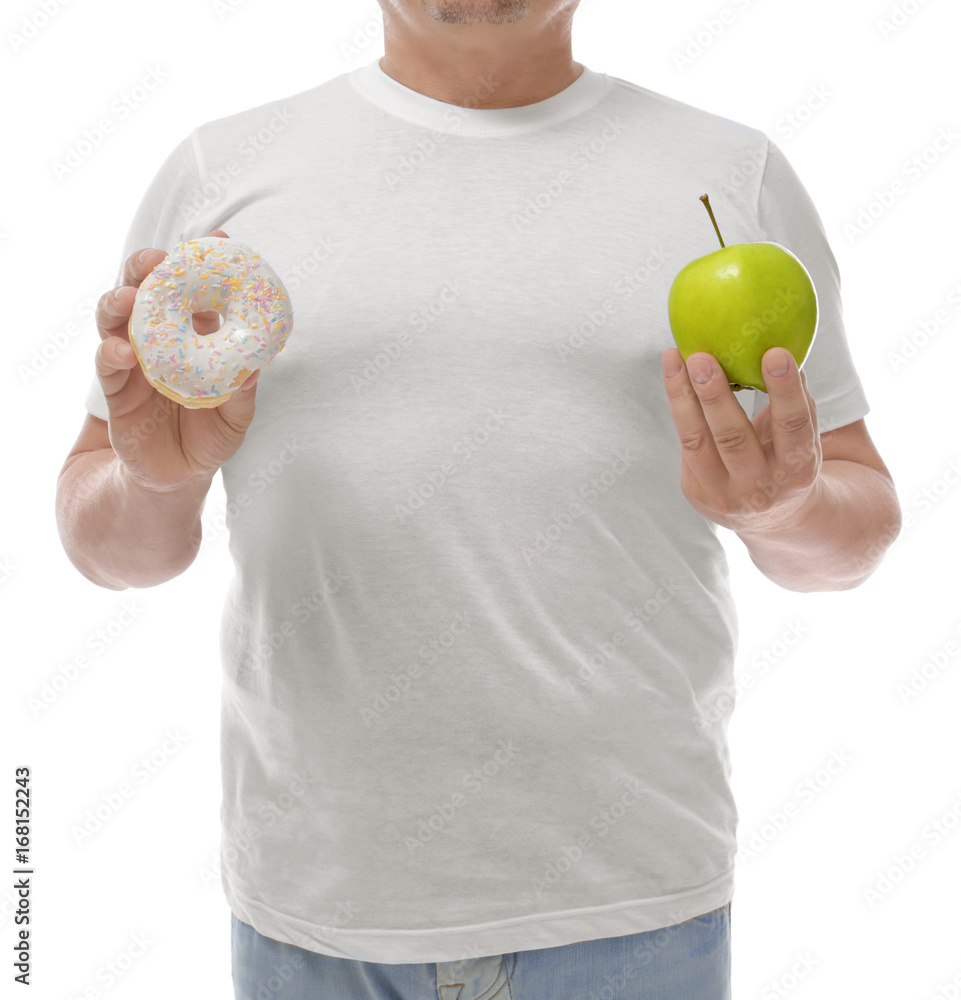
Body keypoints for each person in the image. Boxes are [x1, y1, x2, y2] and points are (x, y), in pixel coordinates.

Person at [55, 1, 902, 997]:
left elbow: (854, 527)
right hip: (319, 906)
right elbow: (112, 545)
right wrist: (159, 478)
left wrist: (780, 508)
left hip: (632, 906)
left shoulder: (728, 173)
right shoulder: (220, 174)